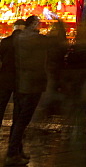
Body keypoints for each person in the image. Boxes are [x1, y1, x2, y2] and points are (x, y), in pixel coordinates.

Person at [6, 15, 48, 165]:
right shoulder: (38, 40)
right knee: (23, 120)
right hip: (33, 84)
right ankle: (12, 152)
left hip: (20, 84)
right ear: (34, 24)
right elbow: (57, 43)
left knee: (17, 119)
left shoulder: (18, 40)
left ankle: (16, 150)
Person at [0, 22, 25, 126]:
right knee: (18, 108)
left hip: (5, 78)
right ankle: (15, 134)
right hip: (20, 78)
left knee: (1, 105)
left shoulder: (5, 42)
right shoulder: (25, 43)